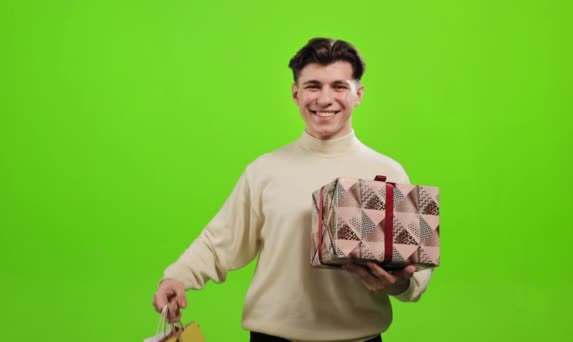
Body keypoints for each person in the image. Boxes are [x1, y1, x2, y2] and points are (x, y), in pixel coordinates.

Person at [152, 38, 434, 342]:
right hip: (272, 338)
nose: (325, 99)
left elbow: (416, 271)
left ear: (358, 94)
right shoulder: (264, 170)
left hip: (359, 339)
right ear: (295, 94)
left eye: (339, 86)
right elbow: (220, 240)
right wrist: (177, 276)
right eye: (313, 86)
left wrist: (397, 284)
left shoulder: (388, 173)